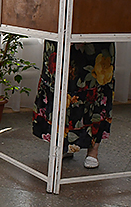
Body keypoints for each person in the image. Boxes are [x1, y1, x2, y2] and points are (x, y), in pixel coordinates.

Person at [32, 41, 115, 169]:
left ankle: (93, 150)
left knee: (94, 86)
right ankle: (63, 144)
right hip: (60, 34)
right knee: (58, 86)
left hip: (96, 33)